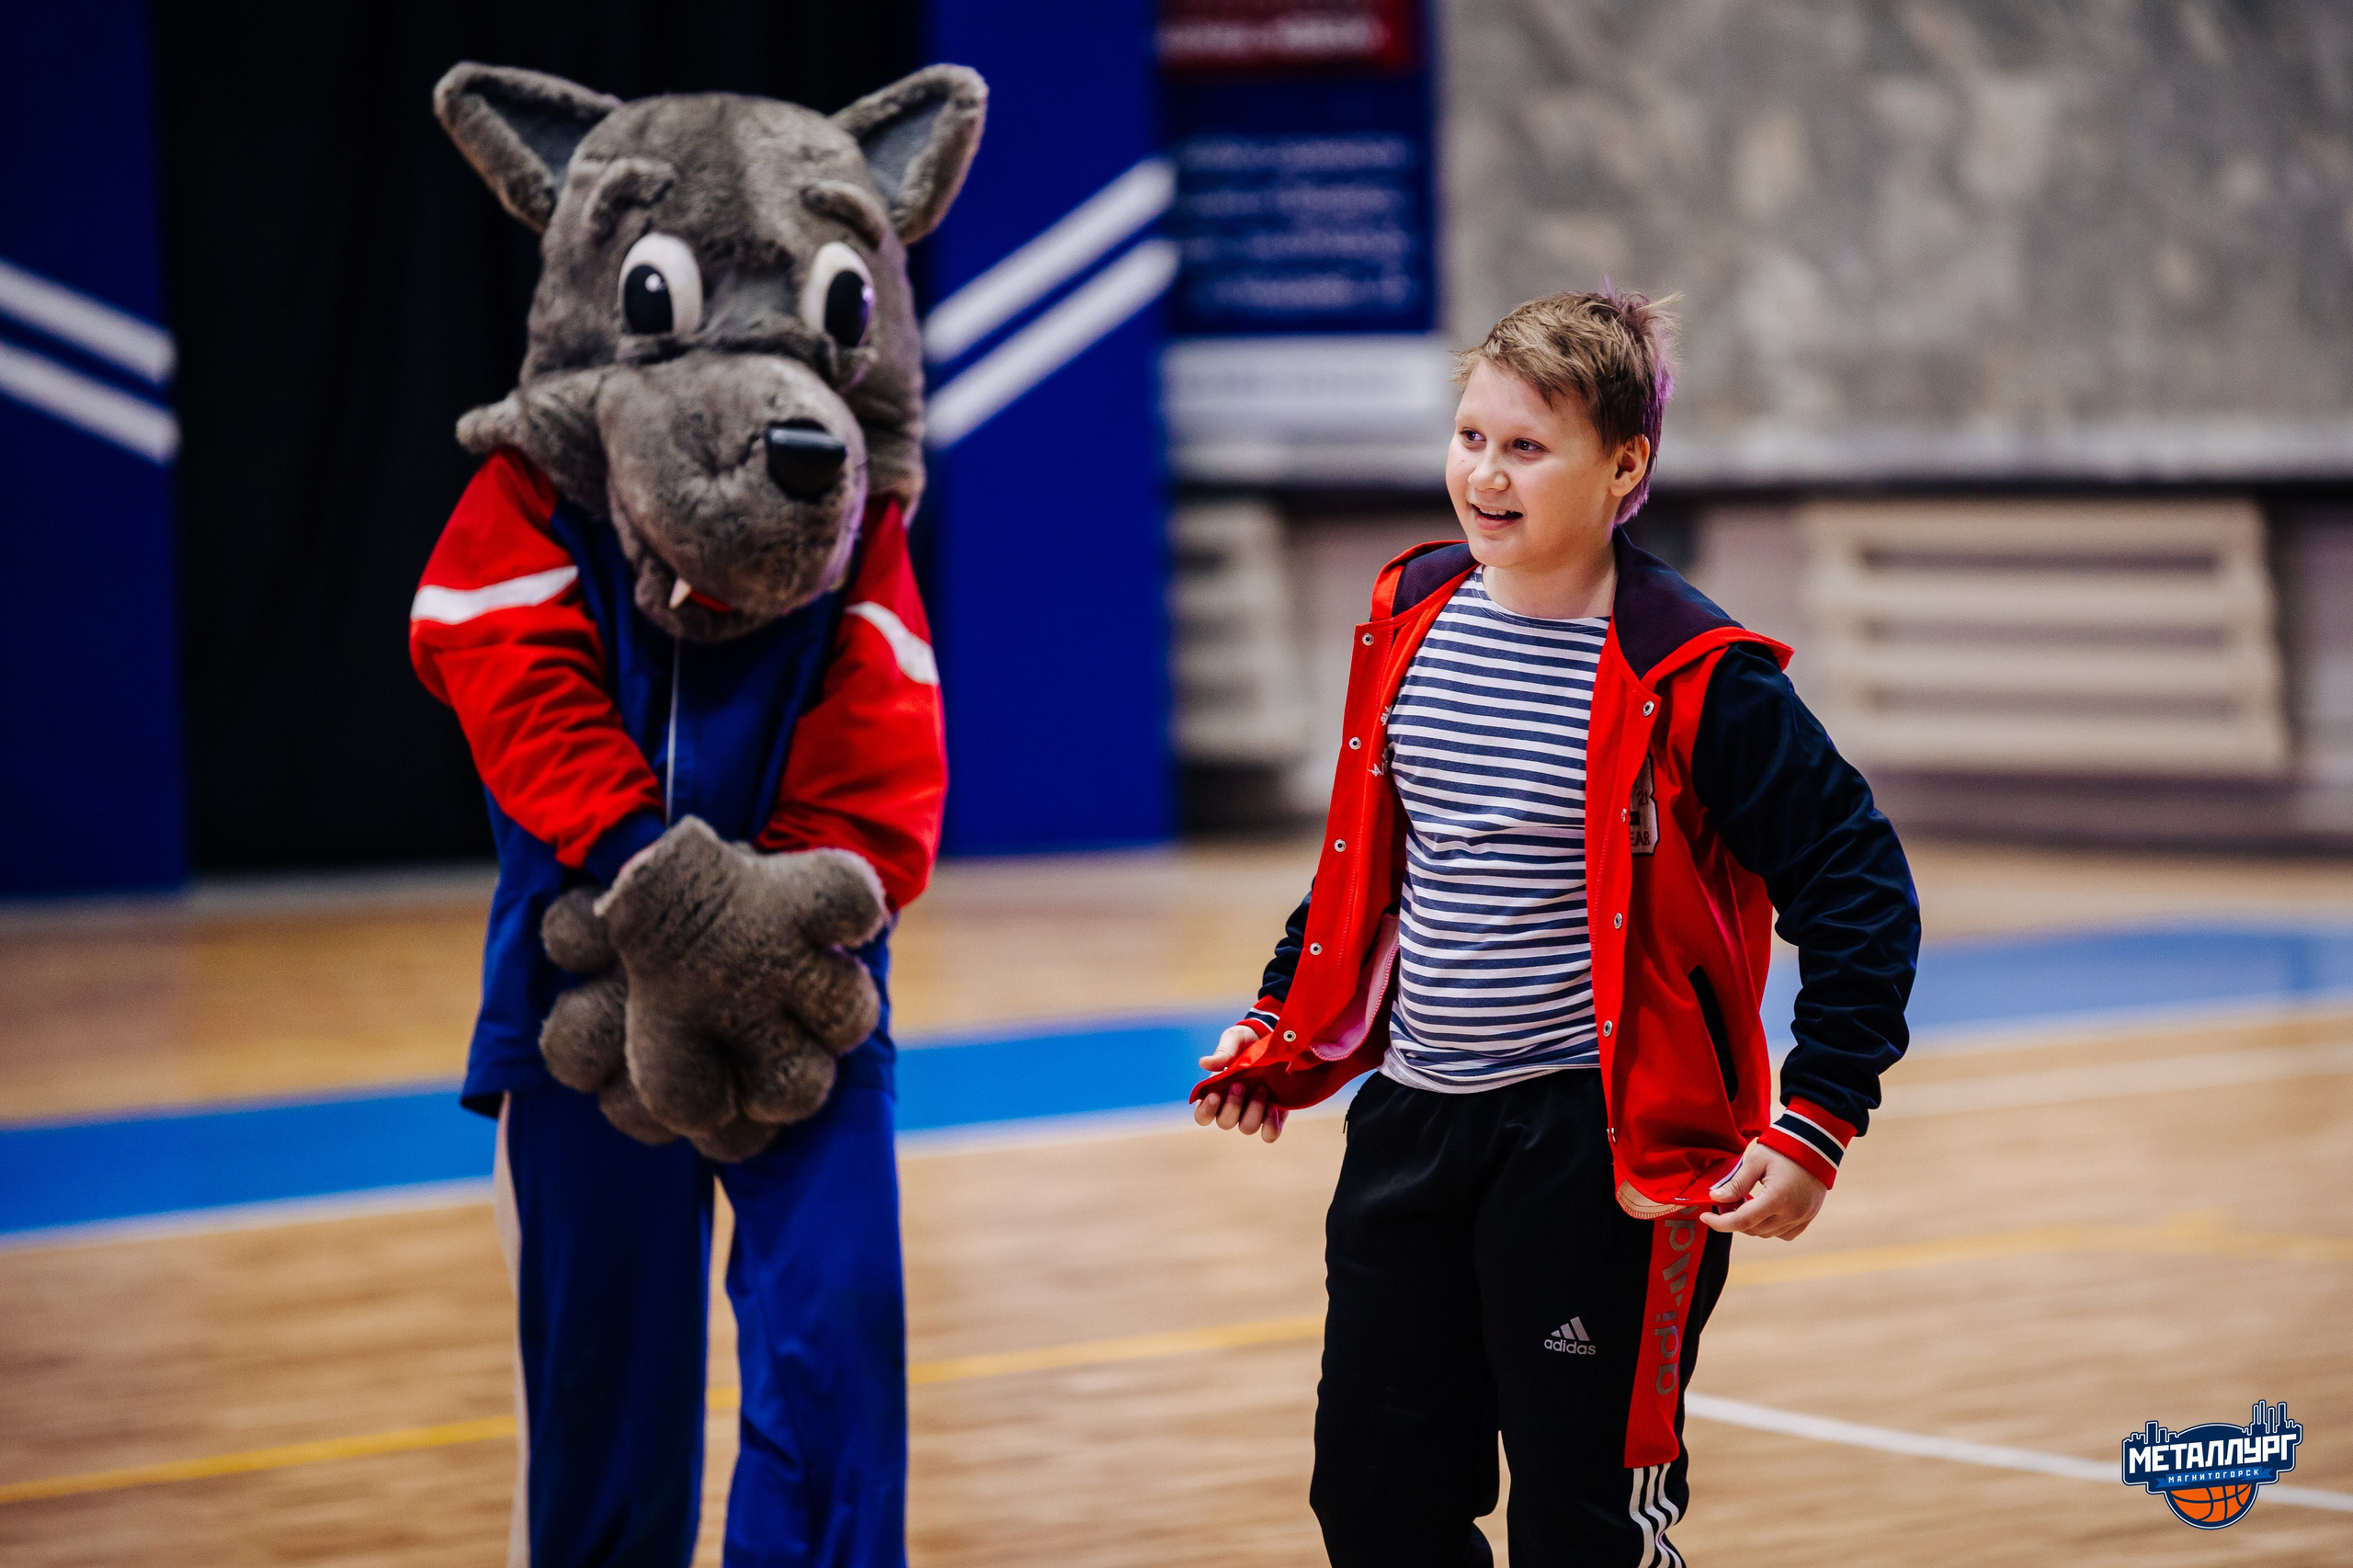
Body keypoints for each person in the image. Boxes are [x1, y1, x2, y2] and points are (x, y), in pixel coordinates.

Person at [1191, 290, 1919, 1567]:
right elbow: (1375, 862)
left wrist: (1820, 1115)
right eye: (1472, 436)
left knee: (1585, 1528)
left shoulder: (1698, 671)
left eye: (1527, 448)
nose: (1485, 473)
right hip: (1412, 1127)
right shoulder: (1410, 611)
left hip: (1596, 1151)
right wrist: (1279, 1016)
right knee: (1374, 1506)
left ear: (1626, 465)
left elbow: (1858, 882)